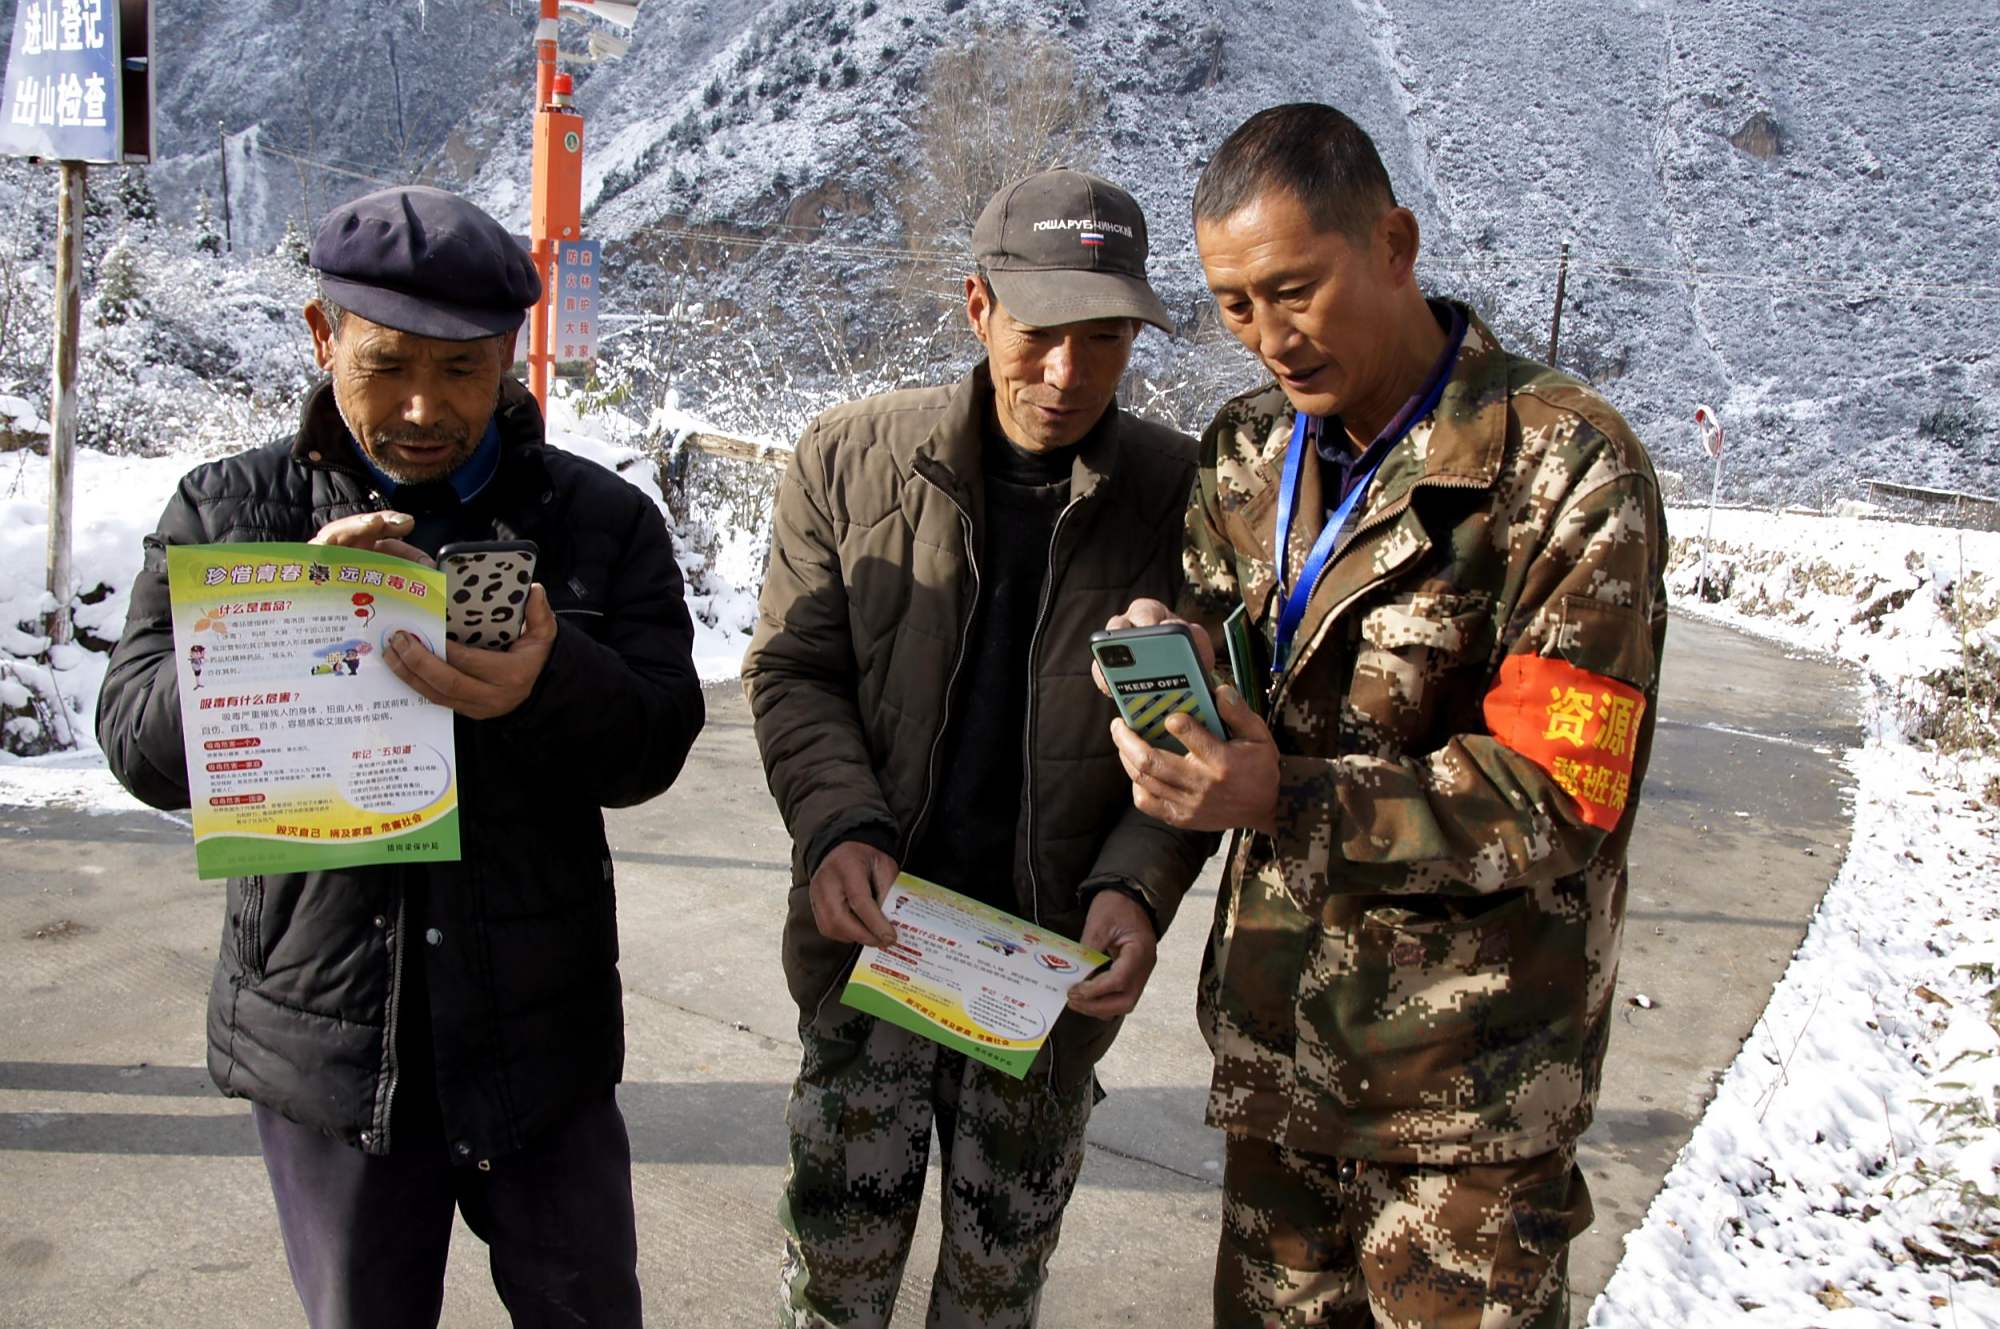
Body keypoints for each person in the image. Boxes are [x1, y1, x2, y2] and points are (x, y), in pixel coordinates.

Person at [96, 185, 706, 1329]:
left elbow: (655, 744)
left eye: (464, 371)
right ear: (323, 337)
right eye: (387, 366)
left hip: (542, 1041)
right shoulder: (229, 514)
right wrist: (280, 624)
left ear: (512, 359)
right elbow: (136, 740)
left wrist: (549, 682)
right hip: (326, 1052)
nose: (425, 406)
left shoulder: (599, 523)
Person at [1106, 104, 1669, 1327]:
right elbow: (1243, 685)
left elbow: (1559, 794)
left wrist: (1286, 797)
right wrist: (1180, 686)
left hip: (1463, 1108)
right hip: (1276, 1067)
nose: (1269, 336)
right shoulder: (1248, 456)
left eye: (1293, 289)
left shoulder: (1563, 467)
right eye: (1233, 306)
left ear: (1395, 243)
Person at [742, 168, 1214, 1329]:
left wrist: (1133, 888)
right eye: (1041, 332)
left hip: (1042, 983)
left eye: (1103, 339)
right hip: (879, 952)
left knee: (997, 1290)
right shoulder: (849, 461)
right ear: (976, 307)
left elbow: (1187, 741)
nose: (1066, 375)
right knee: (834, 1280)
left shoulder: (1181, 501)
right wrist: (838, 826)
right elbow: (793, 671)